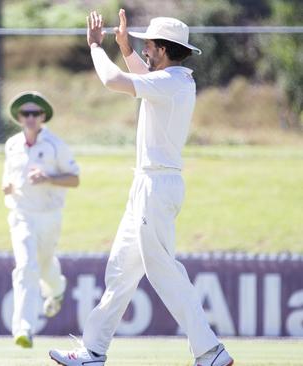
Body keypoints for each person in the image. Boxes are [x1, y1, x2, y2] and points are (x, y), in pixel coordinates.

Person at [48, 10, 234, 366]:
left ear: (163, 50)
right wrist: (124, 46)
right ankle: (93, 351)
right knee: (120, 269)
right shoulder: (170, 80)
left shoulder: (172, 83)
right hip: (147, 183)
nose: (144, 49)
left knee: (163, 270)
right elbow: (142, 78)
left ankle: (211, 351)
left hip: (157, 184)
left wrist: (96, 47)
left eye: (148, 45)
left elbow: (112, 81)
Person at [1, 91, 80, 348]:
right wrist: (7, 186)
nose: (31, 118)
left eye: (35, 114)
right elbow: (8, 178)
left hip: (49, 217)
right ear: (19, 118)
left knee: (44, 266)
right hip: (21, 214)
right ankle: (23, 329)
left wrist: (48, 178)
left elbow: (74, 179)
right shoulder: (12, 144)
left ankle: (56, 289)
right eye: (26, 114)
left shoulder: (56, 145)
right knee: (26, 267)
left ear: (43, 116)